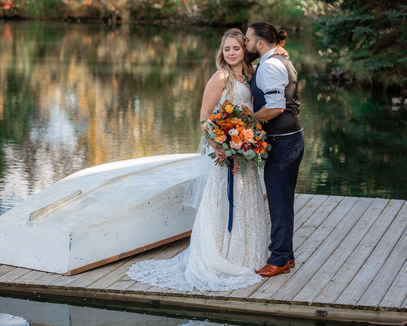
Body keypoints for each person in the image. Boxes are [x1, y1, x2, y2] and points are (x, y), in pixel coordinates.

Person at [126, 28, 269, 292]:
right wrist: (219, 143)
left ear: (244, 50)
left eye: (236, 48)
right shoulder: (220, 77)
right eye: (227, 49)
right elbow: (204, 117)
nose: (232, 53)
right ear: (221, 52)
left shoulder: (251, 74)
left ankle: (248, 256)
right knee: (223, 203)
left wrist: (248, 140)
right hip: (225, 153)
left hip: (246, 153)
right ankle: (220, 257)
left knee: (246, 199)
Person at [245, 22, 304, 277]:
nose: (245, 44)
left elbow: (275, 107)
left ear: (260, 43)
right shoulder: (277, 60)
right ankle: (286, 256)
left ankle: (278, 259)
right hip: (290, 139)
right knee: (284, 201)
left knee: (279, 204)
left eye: (247, 40)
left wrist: (249, 120)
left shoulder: (270, 65)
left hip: (282, 142)